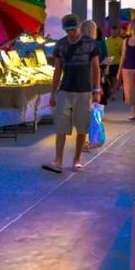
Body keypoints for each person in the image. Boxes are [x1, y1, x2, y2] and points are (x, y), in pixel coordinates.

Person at [44, 14, 101, 173]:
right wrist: (53, 93)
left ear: (79, 27)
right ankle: (58, 160)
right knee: (61, 127)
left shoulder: (90, 44)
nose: (71, 33)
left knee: (82, 128)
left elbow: (96, 68)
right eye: (68, 30)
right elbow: (57, 70)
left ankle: (76, 160)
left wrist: (97, 89)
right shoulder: (61, 45)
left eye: (74, 30)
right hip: (65, 91)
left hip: (84, 91)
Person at [103, 25, 123, 102]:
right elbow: (105, 51)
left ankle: (113, 94)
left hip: (117, 63)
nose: (113, 32)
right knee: (108, 78)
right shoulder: (107, 40)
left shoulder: (120, 40)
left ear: (117, 32)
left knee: (115, 78)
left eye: (115, 31)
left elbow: (122, 52)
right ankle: (111, 89)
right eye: (112, 31)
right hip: (108, 63)